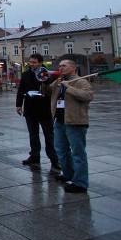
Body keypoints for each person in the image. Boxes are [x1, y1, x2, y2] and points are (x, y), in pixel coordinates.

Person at [50, 59, 94, 193]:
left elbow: (88, 96)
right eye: (60, 66)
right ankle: (68, 174)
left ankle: (80, 183)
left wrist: (68, 88)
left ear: (73, 68)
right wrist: (46, 81)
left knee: (78, 153)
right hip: (60, 121)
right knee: (61, 151)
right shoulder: (59, 81)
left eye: (64, 66)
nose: (61, 68)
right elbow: (47, 90)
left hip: (75, 121)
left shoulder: (81, 81)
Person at [16, 54, 61, 172]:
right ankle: (34, 156)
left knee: (49, 135)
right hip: (30, 108)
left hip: (44, 108)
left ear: (40, 63)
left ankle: (54, 159)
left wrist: (47, 80)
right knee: (33, 135)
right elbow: (21, 90)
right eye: (30, 62)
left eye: (34, 62)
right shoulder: (26, 74)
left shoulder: (48, 74)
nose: (31, 64)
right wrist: (19, 104)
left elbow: (52, 88)